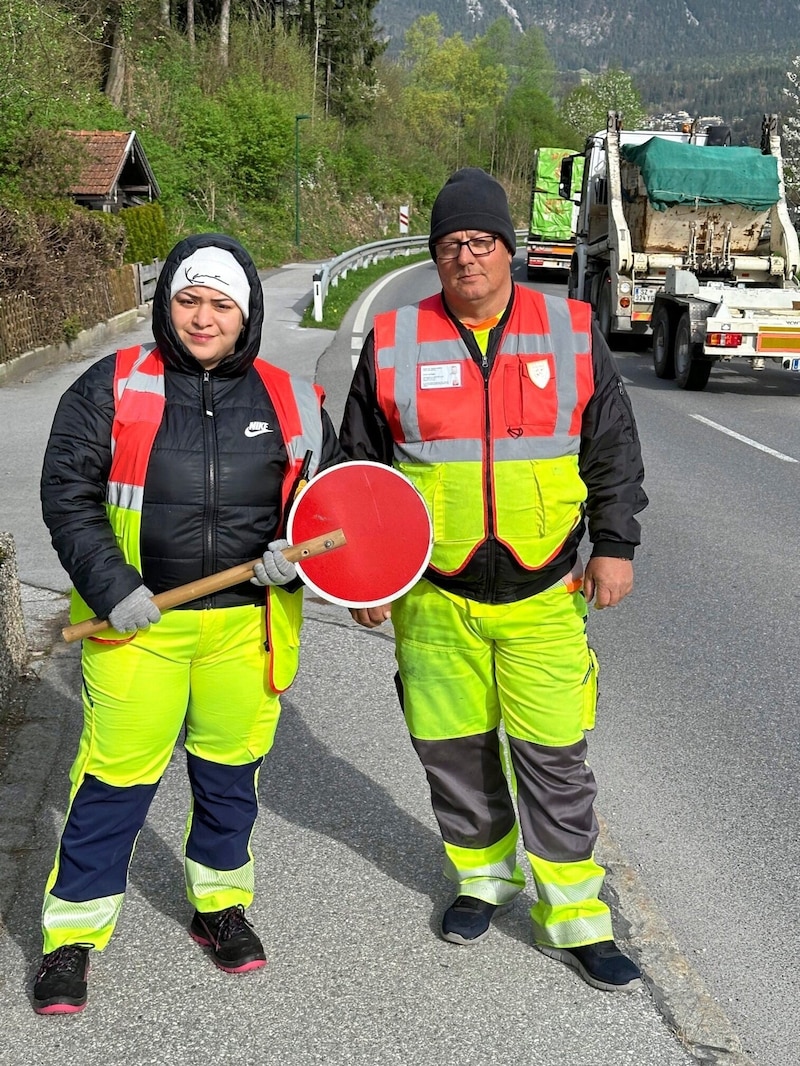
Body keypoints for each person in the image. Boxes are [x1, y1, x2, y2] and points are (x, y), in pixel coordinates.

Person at [339, 168, 648, 992]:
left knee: (553, 756)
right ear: (436, 259)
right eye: (449, 246)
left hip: (547, 588)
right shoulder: (395, 341)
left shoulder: (571, 330)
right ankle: (484, 880)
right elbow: (358, 471)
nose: (465, 258)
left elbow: (612, 450)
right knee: (454, 753)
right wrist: (363, 578)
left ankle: (577, 917)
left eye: (480, 242)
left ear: (508, 249)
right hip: (432, 595)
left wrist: (613, 546)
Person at [34, 233, 345, 1014]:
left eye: (221, 305)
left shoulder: (289, 397)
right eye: (189, 300)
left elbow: (333, 508)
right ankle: (70, 938)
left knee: (229, 778)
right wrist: (112, 587)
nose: (203, 319)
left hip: (246, 627)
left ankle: (218, 908)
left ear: (247, 316)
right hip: (139, 626)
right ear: (167, 303)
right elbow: (67, 495)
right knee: (113, 784)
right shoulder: (114, 385)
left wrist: (295, 559)